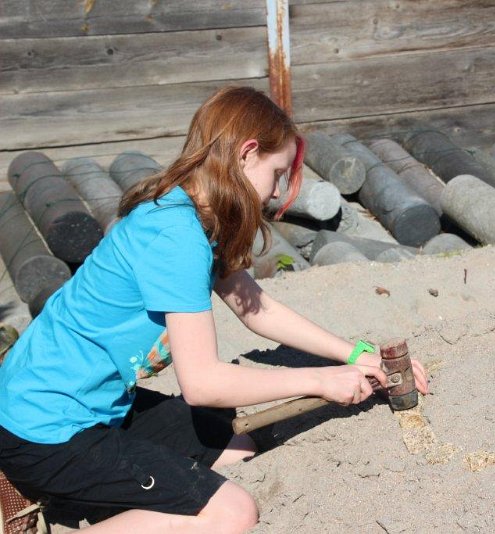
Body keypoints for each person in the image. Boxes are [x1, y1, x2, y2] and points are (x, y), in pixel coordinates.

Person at [0, 86, 429, 533]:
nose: (276, 191)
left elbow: (256, 309)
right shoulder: (176, 236)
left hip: (93, 404)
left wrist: (356, 355)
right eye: (277, 172)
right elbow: (202, 383)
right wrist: (320, 379)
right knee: (231, 513)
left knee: (238, 447)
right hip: (46, 428)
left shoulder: (196, 216)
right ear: (246, 154)